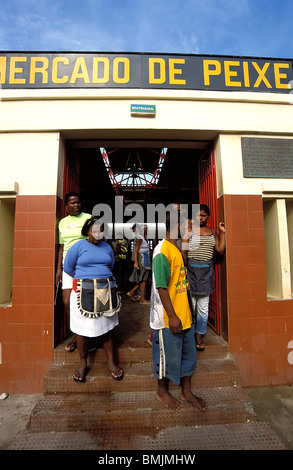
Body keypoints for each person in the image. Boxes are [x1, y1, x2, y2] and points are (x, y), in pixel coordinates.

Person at [150, 211, 206, 411]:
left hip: (185, 315)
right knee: (166, 357)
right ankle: (162, 392)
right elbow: (162, 287)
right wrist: (172, 316)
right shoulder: (161, 251)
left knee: (189, 356)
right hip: (169, 318)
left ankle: (186, 391)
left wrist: (186, 314)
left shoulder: (175, 248)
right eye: (185, 225)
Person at [63, 216, 124, 382]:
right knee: (82, 330)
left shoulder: (107, 247)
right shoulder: (78, 246)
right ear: (87, 231)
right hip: (83, 293)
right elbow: (68, 267)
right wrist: (88, 280)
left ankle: (111, 362)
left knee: (106, 327)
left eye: (101, 230)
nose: (98, 233)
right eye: (94, 230)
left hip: (105, 291)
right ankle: (83, 363)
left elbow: (110, 266)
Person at [181, 204, 226, 352]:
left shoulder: (212, 232)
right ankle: (188, 335)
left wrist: (222, 233)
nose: (200, 218)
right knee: (190, 306)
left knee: (203, 308)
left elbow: (219, 250)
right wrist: (183, 271)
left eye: (203, 216)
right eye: (198, 215)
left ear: (208, 216)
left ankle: (199, 336)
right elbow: (184, 252)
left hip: (207, 272)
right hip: (191, 272)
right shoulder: (189, 230)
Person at [55, 192, 91, 352]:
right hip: (68, 268)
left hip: (85, 268)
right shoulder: (62, 223)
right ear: (66, 206)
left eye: (78, 202)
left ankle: (84, 336)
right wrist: (58, 269)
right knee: (67, 303)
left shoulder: (88, 218)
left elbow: (95, 240)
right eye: (72, 203)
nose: (76, 205)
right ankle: (78, 333)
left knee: (86, 303)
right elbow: (61, 247)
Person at [127, 224, 151, 305]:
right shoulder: (139, 238)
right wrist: (136, 262)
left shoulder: (143, 238)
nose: (147, 230)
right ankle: (142, 299)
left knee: (143, 279)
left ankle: (132, 292)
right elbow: (136, 251)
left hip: (145, 260)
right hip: (142, 260)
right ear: (142, 230)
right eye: (145, 229)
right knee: (143, 279)